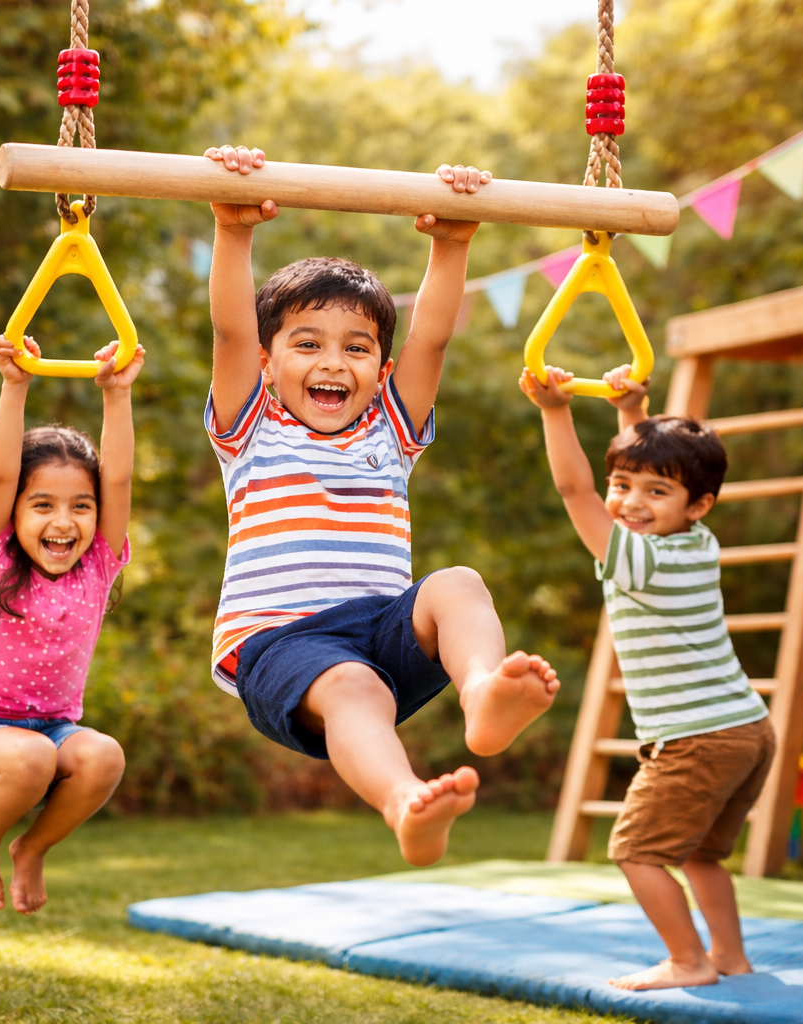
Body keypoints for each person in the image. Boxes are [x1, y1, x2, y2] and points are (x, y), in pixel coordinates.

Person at [202, 143, 560, 868]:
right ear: (269, 365)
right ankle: (404, 802)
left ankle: (484, 693)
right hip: (282, 642)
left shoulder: (390, 432)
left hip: (380, 625)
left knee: (457, 582)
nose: (334, 363)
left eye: (357, 347)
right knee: (353, 687)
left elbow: (431, 334)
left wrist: (453, 242)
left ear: (380, 369)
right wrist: (233, 231)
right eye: (307, 344)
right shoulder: (251, 431)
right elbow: (232, 329)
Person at [520, 362, 774, 991]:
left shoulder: (643, 561)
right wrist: (632, 410)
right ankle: (730, 957)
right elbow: (638, 482)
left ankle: (689, 961)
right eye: (623, 484)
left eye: (655, 493)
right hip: (747, 728)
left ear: (699, 503)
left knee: (635, 852)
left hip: (697, 739)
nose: (631, 504)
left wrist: (556, 411)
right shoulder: (697, 542)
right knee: (702, 854)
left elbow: (577, 493)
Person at [0, 334, 145, 914]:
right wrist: (15, 385)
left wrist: (117, 396)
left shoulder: (97, 566)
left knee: (103, 757)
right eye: (42, 504)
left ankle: (33, 847)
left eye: (80, 506)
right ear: (14, 511)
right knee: (30, 759)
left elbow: (117, 479)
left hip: (48, 732)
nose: (64, 521)